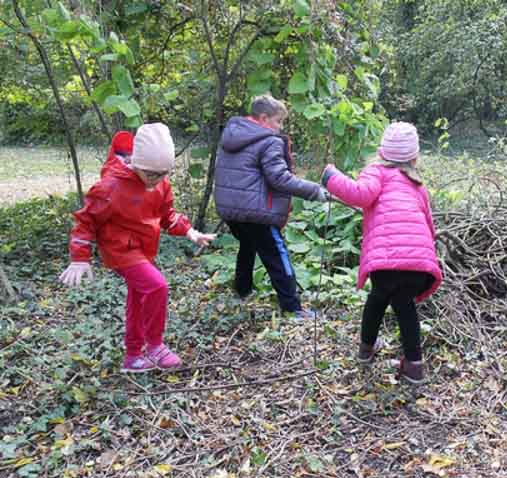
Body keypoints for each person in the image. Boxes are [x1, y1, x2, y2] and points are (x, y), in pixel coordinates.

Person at [59, 123, 217, 373]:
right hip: (120, 250)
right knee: (156, 286)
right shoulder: (111, 186)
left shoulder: (160, 184)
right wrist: (80, 258)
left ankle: (133, 356)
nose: (157, 180)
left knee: (139, 299)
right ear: (136, 164)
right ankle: (155, 346)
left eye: (163, 174)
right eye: (151, 174)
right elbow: (86, 221)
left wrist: (190, 232)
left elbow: (167, 215)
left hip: (144, 249)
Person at [321, 122, 442, 384]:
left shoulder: (376, 172)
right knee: (405, 306)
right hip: (418, 262)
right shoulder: (417, 184)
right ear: (414, 157)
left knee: (377, 300)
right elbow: (428, 222)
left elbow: (359, 195)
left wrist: (331, 177)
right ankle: (414, 366)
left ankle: (366, 350)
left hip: (386, 262)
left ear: (381, 152)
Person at [214, 94, 328, 319]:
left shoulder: (232, 135)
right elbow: (280, 178)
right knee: (277, 254)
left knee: (247, 245)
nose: (280, 127)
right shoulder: (269, 140)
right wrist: (314, 191)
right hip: (257, 212)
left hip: (231, 210)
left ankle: (242, 291)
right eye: (278, 121)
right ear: (264, 118)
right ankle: (293, 308)